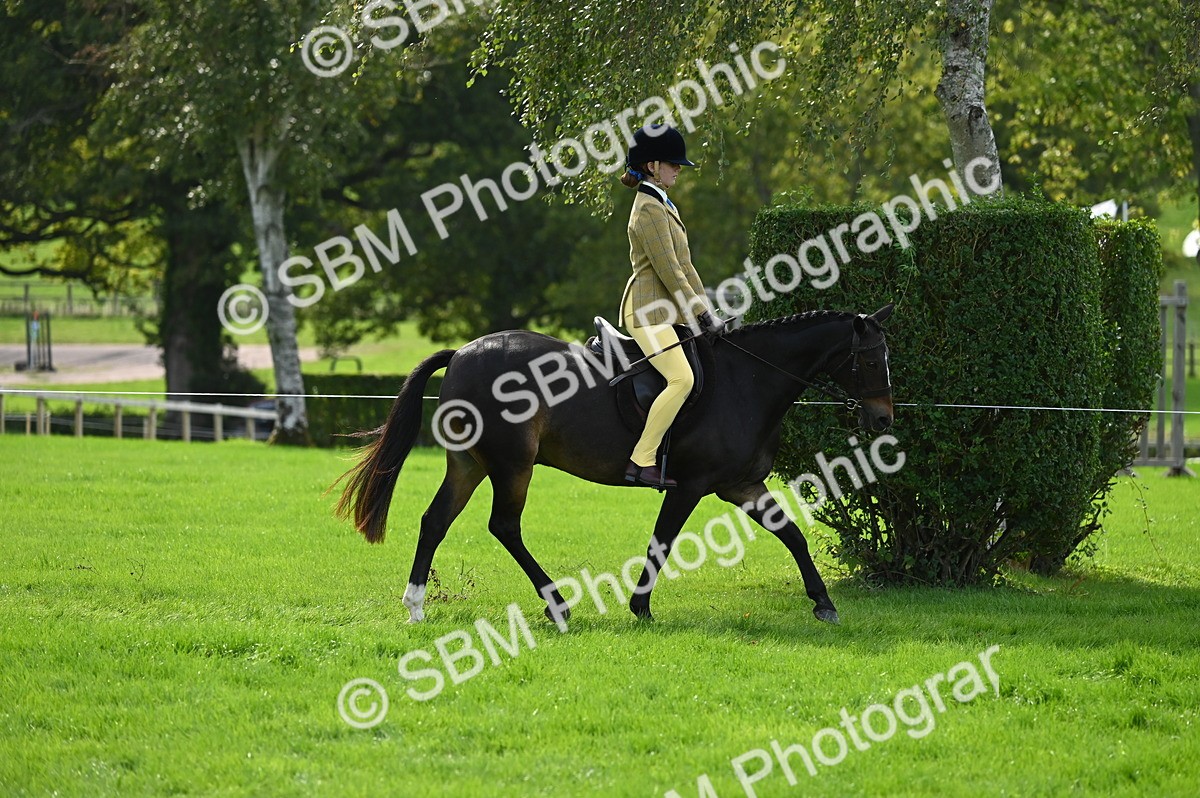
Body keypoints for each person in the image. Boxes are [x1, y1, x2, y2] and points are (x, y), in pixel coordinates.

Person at [618, 124, 725, 489]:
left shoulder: (662, 204)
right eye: (673, 164)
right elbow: (669, 271)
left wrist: (708, 310)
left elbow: (686, 268)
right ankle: (641, 461)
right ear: (652, 165)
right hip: (646, 311)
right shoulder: (648, 209)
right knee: (682, 378)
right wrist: (699, 315)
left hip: (664, 309)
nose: (679, 169)